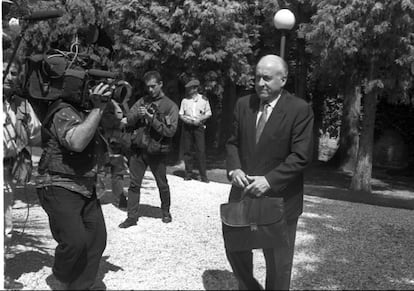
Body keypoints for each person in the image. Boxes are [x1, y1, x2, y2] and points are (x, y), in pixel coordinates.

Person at [225, 54, 314, 290]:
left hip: (281, 200)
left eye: (266, 78)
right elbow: (232, 143)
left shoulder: (299, 109)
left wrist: (270, 180)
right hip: (243, 195)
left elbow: (301, 156)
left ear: (283, 79)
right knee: (236, 252)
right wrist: (234, 169)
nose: (260, 83)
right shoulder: (244, 104)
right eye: (257, 78)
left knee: (278, 265)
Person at [35, 82, 112, 290]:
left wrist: (106, 105)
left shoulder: (84, 111)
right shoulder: (62, 111)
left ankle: (81, 286)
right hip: (58, 183)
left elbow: (118, 126)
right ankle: (61, 276)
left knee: (97, 240)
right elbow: (76, 142)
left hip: (86, 186)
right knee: (75, 241)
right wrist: (98, 108)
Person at [118, 70, 178, 228]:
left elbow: (170, 131)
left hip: (157, 151)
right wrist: (138, 114)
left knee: (162, 184)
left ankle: (165, 212)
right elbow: (128, 120)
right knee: (134, 184)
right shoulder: (141, 101)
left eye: (153, 86)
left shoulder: (170, 106)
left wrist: (152, 119)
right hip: (138, 149)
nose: (150, 90)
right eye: (148, 87)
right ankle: (131, 217)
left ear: (160, 85)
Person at [3, 59, 42, 290]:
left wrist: (24, 129)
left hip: (6, 171)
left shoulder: (22, 105)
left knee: (5, 224)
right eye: (4, 72)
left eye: (13, 73)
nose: (9, 76)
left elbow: (36, 134)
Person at [179, 79, 212, 183]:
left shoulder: (204, 100)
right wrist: (187, 121)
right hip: (188, 126)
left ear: (195, 89)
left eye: (191, 88)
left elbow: (209, 113)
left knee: (200, 150)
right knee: (187, 150)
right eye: (188, 88)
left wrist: (200, 120)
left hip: (198, 126)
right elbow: (181, 114)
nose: (188, 90)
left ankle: (203, 176)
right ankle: (188, 174)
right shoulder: (185, 101)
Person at [101, 98, 129, 209]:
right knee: (99, 171)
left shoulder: (120, 104)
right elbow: (104, 119)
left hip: (116, 141)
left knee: (118, 171)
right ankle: (93, 196)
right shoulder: (103, 102)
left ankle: (119, 198)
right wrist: (119, 123)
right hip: (104, 140)